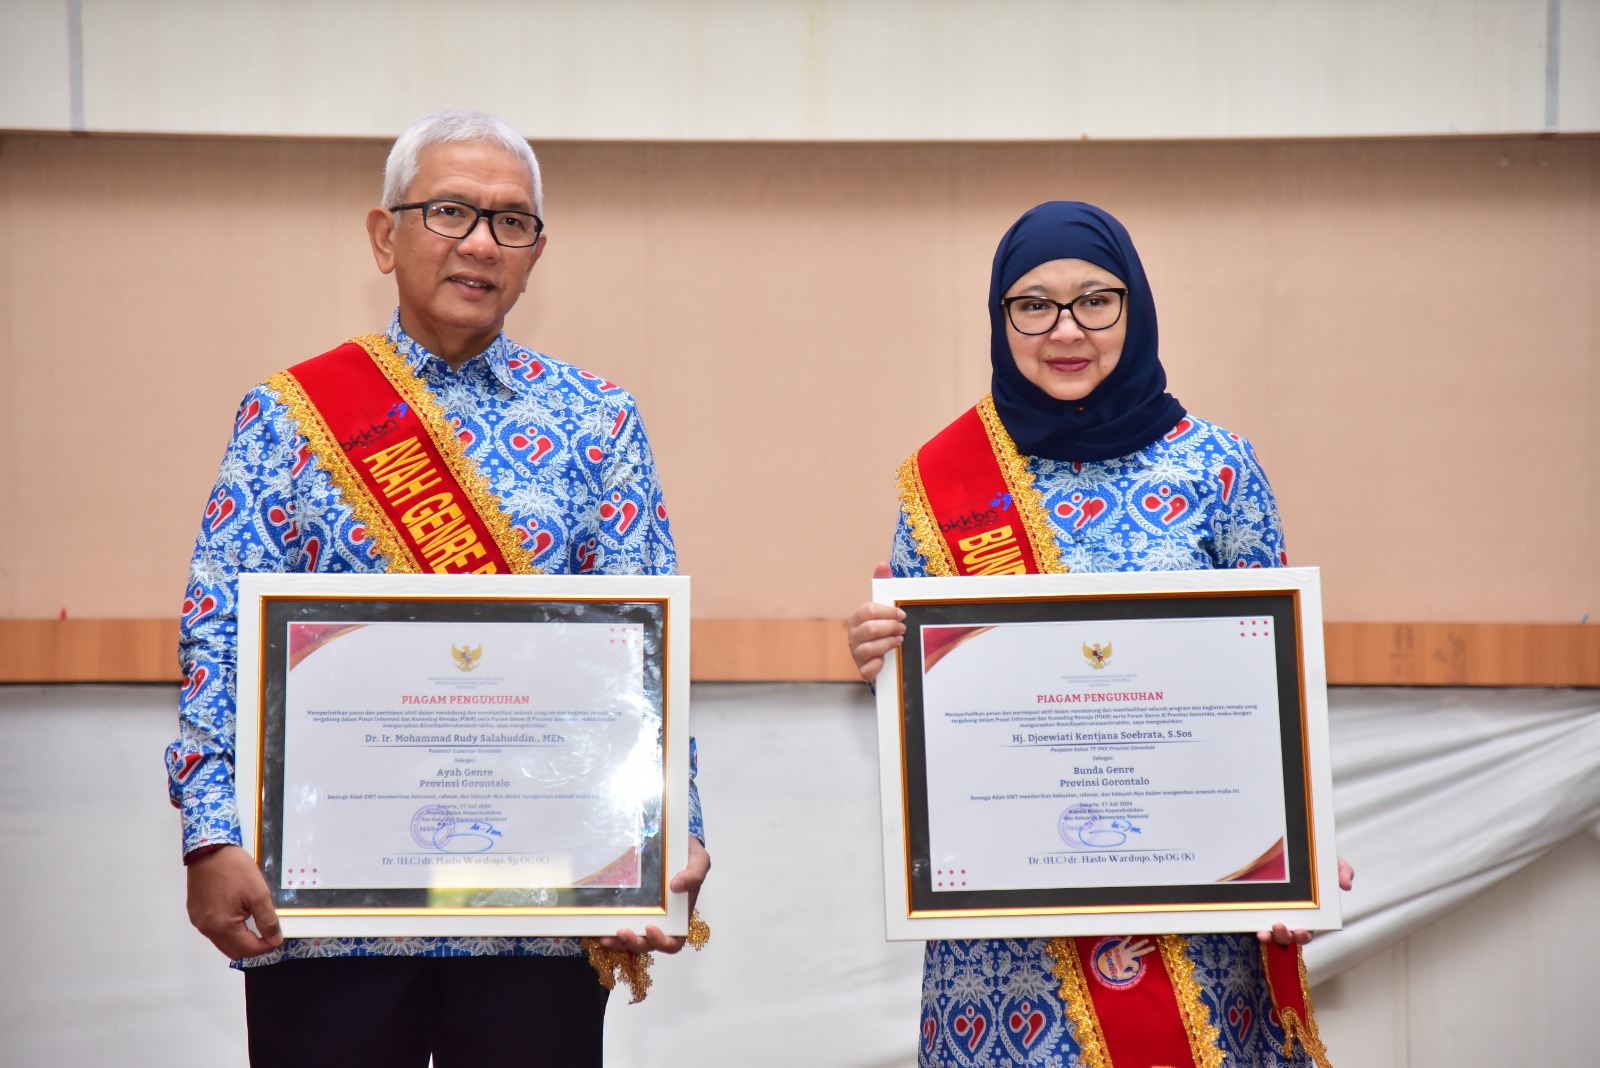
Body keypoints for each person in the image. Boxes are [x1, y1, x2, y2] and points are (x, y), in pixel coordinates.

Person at [165, 109, 708, 1067]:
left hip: (535, 908)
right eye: (449, 211)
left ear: (537, 253)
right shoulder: (290, 417)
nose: (480, 243)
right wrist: (210, 838)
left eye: (511, 223)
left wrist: (670, 831)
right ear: (386, 235)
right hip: (329, 906)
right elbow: (219, 639)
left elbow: (642, 663)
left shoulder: (598, 422)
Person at [847, 201, 1349, 1068]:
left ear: (1137, 304)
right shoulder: (941, 480)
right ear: (1001, 318)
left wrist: (1300, 840)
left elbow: (1273, 682)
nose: (1065, 329)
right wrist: (882, 661)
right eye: (1032, 304)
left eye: (1095, 301)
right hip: (1008, 943)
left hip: (1191, 922)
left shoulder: (1216, 469)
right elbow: (936, 707)